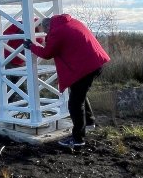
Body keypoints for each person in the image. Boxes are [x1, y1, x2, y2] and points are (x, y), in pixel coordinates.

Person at [25, 14, 110, 148]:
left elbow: (47, 54)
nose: (46, 34)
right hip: (95, 63)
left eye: (45, 31)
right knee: (79, 94)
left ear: (48, 26)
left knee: (75, 103)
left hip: (85, 67)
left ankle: (78, 138)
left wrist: (31, 46)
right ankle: (89, 122)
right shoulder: (72, 23)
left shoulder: (57, 32)